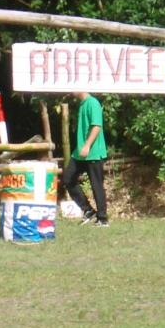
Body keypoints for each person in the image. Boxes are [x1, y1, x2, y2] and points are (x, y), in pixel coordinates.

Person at [60, 91, 109, 227]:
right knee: (67, 179)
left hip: (92, 151)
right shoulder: (82, 105)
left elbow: (96, 126)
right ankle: (88, 210)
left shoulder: (92, 103)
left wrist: (87, 145)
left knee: (96, 185)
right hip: (80, 153)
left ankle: (103, 219)